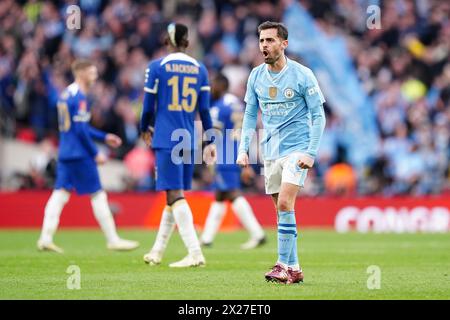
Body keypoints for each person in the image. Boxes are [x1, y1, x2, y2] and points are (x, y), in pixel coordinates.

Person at [237, 21, 326, 284]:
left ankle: (281, 265)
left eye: (270, 40)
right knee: (282, 212)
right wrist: (244, 149)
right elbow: (250, 115)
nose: (264, 45)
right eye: (261, 40)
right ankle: (295, 268)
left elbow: (318, 116)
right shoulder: (255, 76)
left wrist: (310, 152)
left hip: (296, 151)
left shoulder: (302, 75)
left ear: (283, 44)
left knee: (286, 204)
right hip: (271, 152)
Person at [37, 60, 140, 253]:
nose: (95, 75)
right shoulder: (80, 97)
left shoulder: (67, 94)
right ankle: (113, 239)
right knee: (98, 194)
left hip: (66, 151)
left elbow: (81, 127)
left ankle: (45, 238)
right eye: (92, 72)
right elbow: (80, 130)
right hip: (80, 154)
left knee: (59, 195)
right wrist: (95, 152)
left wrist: (104, 136)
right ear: (81, 72)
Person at [140, 23, 216, 268]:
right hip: (188, 137)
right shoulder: (200, 68)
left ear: (166, 41)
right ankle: (157, 252)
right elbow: (204, 110)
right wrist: (211, 140)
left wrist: (145, 128)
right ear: (187, 41)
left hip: (166, 136)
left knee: (174, 195)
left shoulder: (156, 67)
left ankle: (195, 253)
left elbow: (148, 105)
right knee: (174, 196)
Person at [200, 73, 266, 249]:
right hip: (238, 151)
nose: (210, 89)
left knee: (232, 193)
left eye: (213, 84)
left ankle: (257, 233)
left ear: (221, 85)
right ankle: (206, 238)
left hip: (225, 154)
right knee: (220, 196)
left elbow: (212, 132)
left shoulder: (219, 106)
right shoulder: (236, 102)